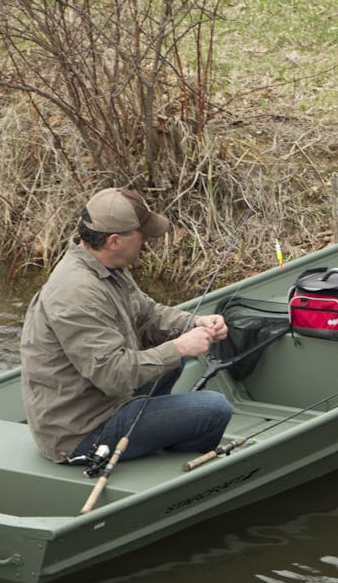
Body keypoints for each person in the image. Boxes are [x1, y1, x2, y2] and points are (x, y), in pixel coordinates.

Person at [20, 186, 233, 465]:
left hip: (104, 400)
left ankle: (152, 431)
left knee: (172, 356)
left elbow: (147, 314)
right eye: (142, 235)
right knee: (214, 409)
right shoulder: (76, 293)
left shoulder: (107, 267)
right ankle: (168, 459)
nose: (147, 241)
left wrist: (194, 323)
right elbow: (113, 375)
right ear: (114, 241)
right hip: (80, 433)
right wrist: (180, 347)